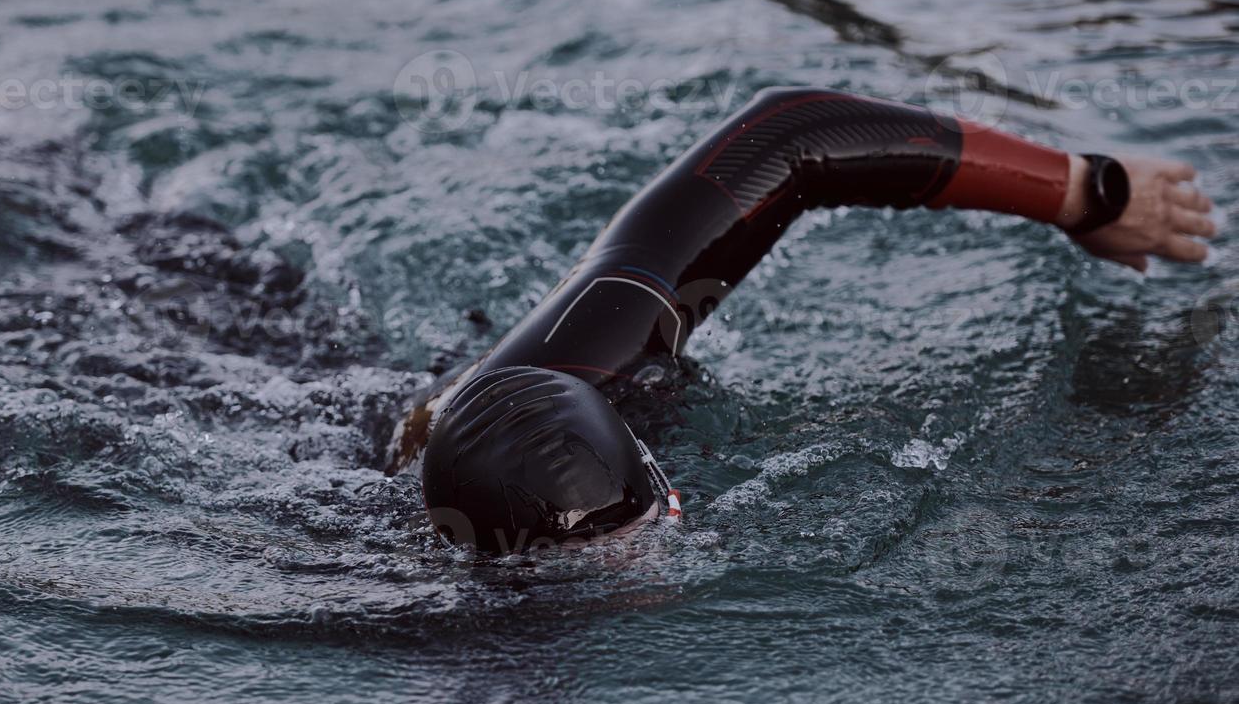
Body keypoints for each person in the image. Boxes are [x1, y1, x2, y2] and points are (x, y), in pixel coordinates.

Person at [387, 86, 1217, 555]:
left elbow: (790, 138)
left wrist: (1085, 190)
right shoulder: (468, 635)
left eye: (650, 541)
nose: (648, 576)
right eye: (611, 570)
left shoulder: (591, 356)